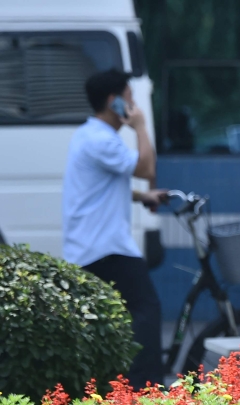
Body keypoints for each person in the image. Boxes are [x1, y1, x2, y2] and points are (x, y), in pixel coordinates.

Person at [62, 69, 168, 388]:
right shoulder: (101, 140)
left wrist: (142, 195)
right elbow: (146, 167)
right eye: (130, 99)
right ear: (114, 102)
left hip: (93, 248)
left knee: (109, 321)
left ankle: (111, 385)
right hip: (105, 248)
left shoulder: (88, 135)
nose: (133, 106)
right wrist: (141, 126)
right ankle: (144, 389)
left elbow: (104, 186)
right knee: (146, 310)